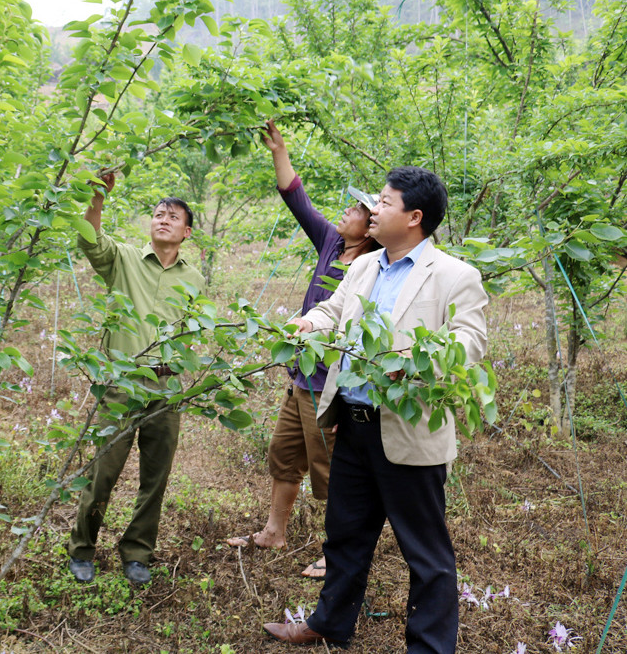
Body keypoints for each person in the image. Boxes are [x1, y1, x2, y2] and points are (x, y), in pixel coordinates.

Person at [262, 166, 488, 653]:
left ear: (414, 217)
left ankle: (429, 647)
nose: (374, 209)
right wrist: (307, 323)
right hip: (354, 423)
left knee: (425, 554)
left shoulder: (454, 276)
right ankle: (329, 623)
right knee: (344, 535)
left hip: (410, 431)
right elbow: (333, 310)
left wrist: (415, 364)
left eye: (385, 202)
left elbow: (470, 342)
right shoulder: (364, 266)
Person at [226, 120, 379, 579]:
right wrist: (280, 151)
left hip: (330, 383)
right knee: (284, 454)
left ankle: (340, 552)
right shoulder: (332, 243)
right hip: (300, 377)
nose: (345, 212)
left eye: (355, 209)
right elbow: (296, 197)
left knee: (332, 471)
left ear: (371, 226)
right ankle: (274, 532)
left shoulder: (373, 266)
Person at [67, 171, 206, 587]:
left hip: (167, 387)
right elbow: (89, 240)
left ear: (187, 231)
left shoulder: (194, 279)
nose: (163, 219)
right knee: (103, 471)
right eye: (158, 214)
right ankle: (82, 548)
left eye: (173, 216)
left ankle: (137, 552)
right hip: (121, 385)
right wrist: (97, 198)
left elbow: (191, 331)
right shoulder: (124, 258)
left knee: (155, 476)